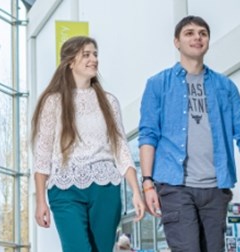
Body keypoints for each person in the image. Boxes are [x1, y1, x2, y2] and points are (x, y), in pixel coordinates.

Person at [137, 15, 240, 252]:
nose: (197, 37)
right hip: (175, 186)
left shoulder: (225, 86)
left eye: (202, 33)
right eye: (189, 33)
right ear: (176, 42)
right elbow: (148, 135)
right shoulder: (158, 84)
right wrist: (147, 183)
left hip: (216, 188)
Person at [32, 36, 145, 251]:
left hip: (106, 188)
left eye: (95, 54)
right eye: (86, 54)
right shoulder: (52, 102)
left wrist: (136, 192)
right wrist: (40, 201)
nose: (93, 59)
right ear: (70, 62)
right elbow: (42, 155)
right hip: (65, 189)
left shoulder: (109, 102)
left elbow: (121, 149)